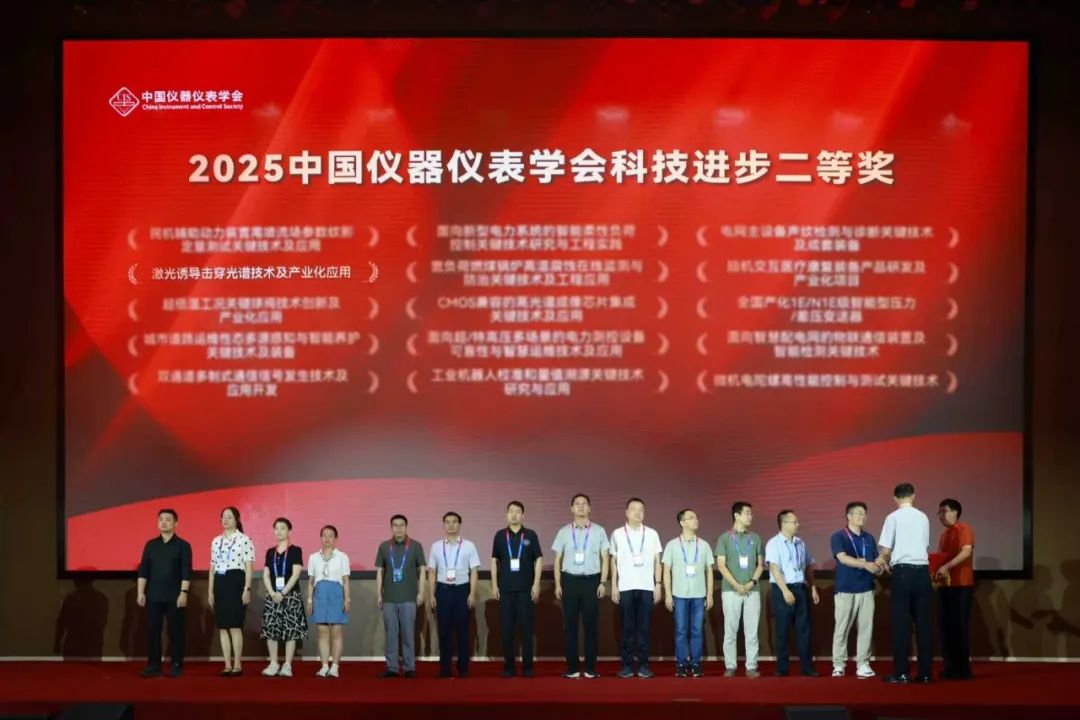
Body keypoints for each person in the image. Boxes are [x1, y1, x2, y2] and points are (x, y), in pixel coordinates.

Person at [877, 482, 933, 684]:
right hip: (923, 573)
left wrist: (882, 561)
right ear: (913, 496)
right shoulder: (923, 517)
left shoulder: (892, 517)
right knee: (924, 625)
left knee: (901, 625)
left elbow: (885, 550)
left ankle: (901, 673)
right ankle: (925, 674)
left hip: (902, 573)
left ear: (895, 498)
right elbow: (925, 545)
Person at [552, 493, 610, 679]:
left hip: (591, 582)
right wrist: (558, 584)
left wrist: (603, 582)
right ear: (571, 508)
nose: (581, 507)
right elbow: (557, 559)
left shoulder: (599, 531)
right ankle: (572, 668)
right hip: (569, 581)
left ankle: (591, 668)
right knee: (570, 626)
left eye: (584, 504)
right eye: (577, 504)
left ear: (590, 508)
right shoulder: (563, 531)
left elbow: (606, 558)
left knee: (591, 626)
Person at [610, 497, 663, 678]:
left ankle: (643, 666)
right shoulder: (617, 533)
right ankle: (626, 666)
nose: (638, 513)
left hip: (647, 586)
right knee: (627, 629)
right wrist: (614, 585)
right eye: (634, 509)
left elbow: (657, 561)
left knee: (644, 629)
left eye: (641, 509)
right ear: (626, 512)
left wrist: (658, 584)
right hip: (625, 587)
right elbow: (613, 561)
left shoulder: (652, 534)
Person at [490, 500, 543, 678]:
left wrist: (536, 584)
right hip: (505, 590)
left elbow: (539, 559)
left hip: (526, 589)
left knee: (527, 629)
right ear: (506, 514)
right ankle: (509, 667)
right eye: (511, 511)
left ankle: (528, 667)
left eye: (517, 511)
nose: (514, 514)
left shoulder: (530, 535)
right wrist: (494, 584)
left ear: (523, 515)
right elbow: (494, 560)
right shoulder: (499, 535)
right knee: (507, 630)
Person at [137, 508, 192, 678]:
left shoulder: (183, 545)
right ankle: (154, 665)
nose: (164, 522)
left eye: (168, 519)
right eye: (161, 519)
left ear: (176, 523)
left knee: (176, 630)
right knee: (153, 630)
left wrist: (183, 592)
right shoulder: (150, 545)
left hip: (175, 595)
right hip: (154, 595)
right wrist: (140, 592)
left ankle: (176, 663)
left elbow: (186, 571)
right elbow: (144, 571)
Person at [765, 510, 820, 677]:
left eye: (797, 521)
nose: (798, 524)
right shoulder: (774, 543)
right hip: (782, 589)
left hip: (801, 588)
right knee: (782, 630)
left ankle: (807, 667)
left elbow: (808, 565)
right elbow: (774, 568)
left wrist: (813, 587)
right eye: (794, 522)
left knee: (804, 630)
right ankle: (782, 668)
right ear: (783, 524)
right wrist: (785, 591)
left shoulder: (800, 542)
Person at [831, 502, 882, 678]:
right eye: (858, 513)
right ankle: (839, 665)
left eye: (864, 514)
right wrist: (865, 565)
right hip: (846, 589)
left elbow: (875, 560)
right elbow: (843, 558)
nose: (862, 516)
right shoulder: (839, 536)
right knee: (842, 629)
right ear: (849, 516)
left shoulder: (869, 538)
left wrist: (880, 567)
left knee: (866, 628)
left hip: (866, 589)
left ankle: (863, 663)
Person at [662, 508, 715, 678]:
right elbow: (666, 571)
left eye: (696, 517)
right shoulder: (672, 545)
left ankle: (696, 663)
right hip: (679, 595)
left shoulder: (704, 545)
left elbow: (709, 571)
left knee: (697, 630)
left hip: (699, 595)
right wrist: (668, 594)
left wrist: (710, 594)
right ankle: (681, 664)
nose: (695, 520)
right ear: (682, 522)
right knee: (681, 631)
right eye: (691, 517)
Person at [428, 511, 481, 678]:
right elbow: (432, 572)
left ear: (459, 524)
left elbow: (474, 571)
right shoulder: (436, 546)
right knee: (444, 631)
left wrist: (472, 593)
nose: (451, 525)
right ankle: (445, 669)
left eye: (454, 522)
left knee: (463, 631)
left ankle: (463, 668)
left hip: (462, 591)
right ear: (444, 525)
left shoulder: (469, 546)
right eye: (447, 522)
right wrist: (431, 594)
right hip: (443, 591)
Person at [715, 501, 765, 678]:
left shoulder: (756, 538)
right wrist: (737, 585)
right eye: (747, 513)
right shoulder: (724, 538)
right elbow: (721, 565)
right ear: (736, 515)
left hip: (752, 589)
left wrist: (751, 583)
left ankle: (751, 666)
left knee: (752, 631)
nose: (751, 516)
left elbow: (760, 565)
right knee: (730, 630)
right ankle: (730, 666)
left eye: (751, 513)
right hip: (730, 590)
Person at [376, 514, 426, 678]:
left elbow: (422, 570)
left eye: (401, 525)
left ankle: (409, 667)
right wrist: (379, 594)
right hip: (389, 598)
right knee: (391, 634)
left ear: (406, 527)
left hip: (409, 597)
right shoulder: (384, 546)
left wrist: (421, 592)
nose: (398, 528)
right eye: (395, 525)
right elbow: (380, 571)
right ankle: (392, 667)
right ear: (391, 527)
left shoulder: (416, 546)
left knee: (408, 633)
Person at [208, 506, 255, 676]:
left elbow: (249, 567)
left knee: (235, 626)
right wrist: (210, 592)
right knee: (223, 627)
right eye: (223, 517)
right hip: (220, 583)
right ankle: (227, 664)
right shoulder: (215, 541)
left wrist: (247, 588)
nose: (226, 520)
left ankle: (237, 664)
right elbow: (212, 568)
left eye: (230, 517)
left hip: (236, 582)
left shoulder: (244, 540)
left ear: (237, 520)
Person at [260, 517, 307, 677]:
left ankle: (287, 665)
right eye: (277, 528)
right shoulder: (270, 552)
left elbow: (295, 575)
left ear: (289, 531)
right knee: (271, 630)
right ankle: (274, 663)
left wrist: (282, 593)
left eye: (283, 528)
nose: (279, 531)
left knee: (290, 631)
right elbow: (266, 575)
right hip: (272, 596)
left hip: (290, 596)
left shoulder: (295, 550)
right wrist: (272, 593)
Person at [936, 497, 975, 680]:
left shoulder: (964, 529)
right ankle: (949, 667)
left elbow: (966, 551)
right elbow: (940, 558)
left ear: (955, 512)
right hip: (945, 586)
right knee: (946, 627)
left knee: (960, 627)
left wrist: (947, 566)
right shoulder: (944, 535)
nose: (940, 515)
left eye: (944, 511)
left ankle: (963, 670)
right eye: (939, 512)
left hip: (962, 585)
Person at [307, 525, 350, 677]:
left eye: (330, 535)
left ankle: (335, 666)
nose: (327, 539)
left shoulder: (342, 557)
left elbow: (345, 580)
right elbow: (311, 581)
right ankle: (324, 665)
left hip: (336, 594)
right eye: (324, 535)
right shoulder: (313, 557)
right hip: (320, 595)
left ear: (336, 539)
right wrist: (310, 600)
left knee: (336, 631)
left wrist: (347, 599)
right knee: (322, 632)